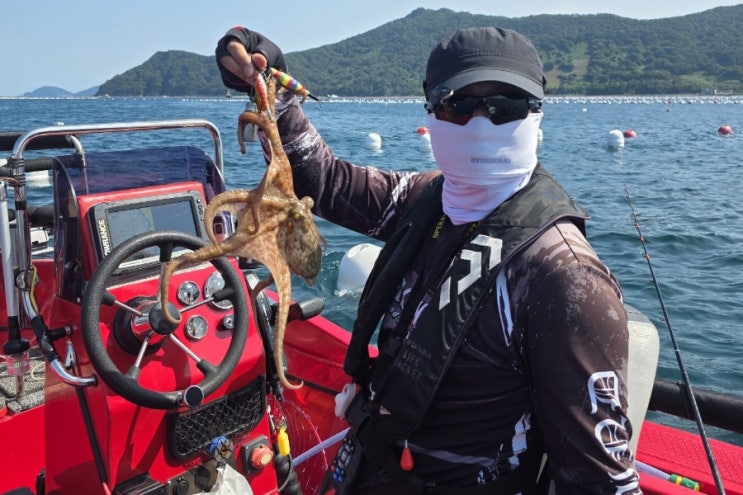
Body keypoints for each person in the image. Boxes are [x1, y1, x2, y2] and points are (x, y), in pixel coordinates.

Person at [216, 26, 642, 495]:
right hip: (369, 464)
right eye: (457, 105)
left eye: (506, 106)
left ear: (536, 113)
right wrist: (270, 87)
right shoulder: (423, 199)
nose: (480, 124)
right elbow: (326, 182)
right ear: (431, 113)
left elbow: (602, 481)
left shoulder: (563, 277)